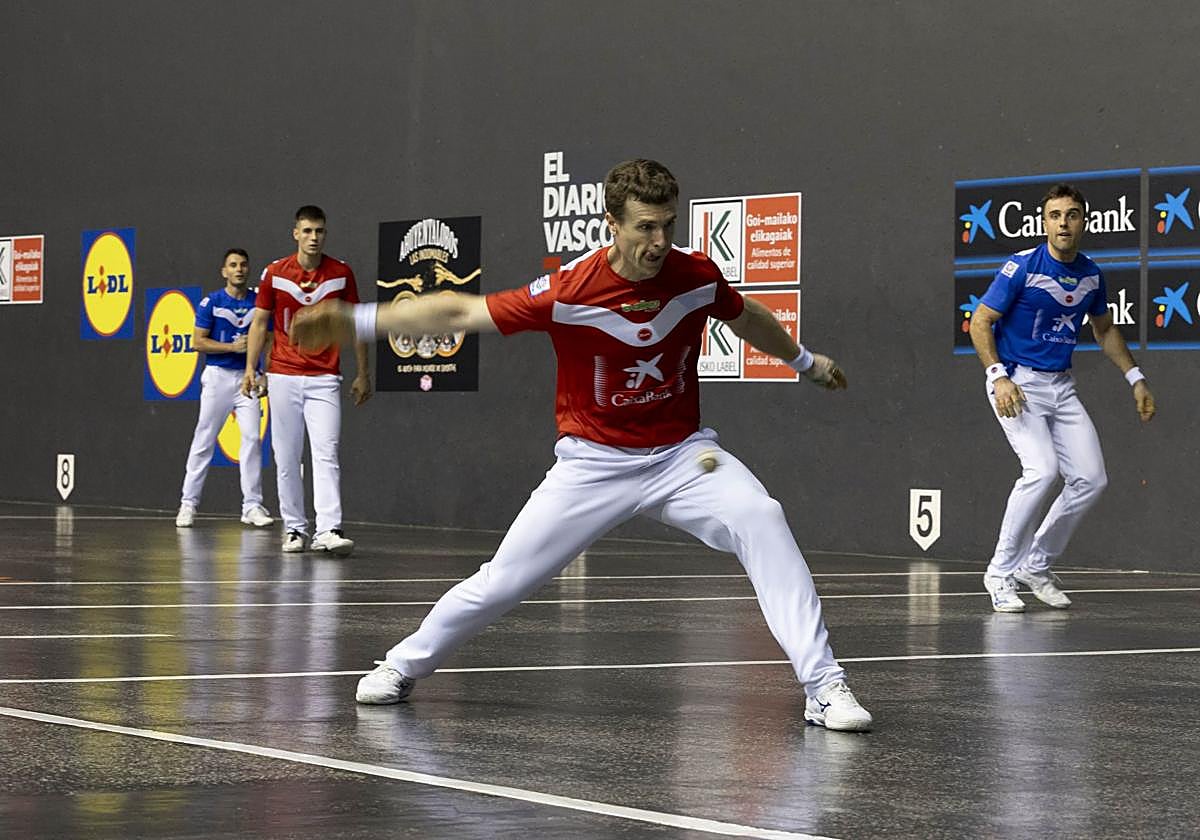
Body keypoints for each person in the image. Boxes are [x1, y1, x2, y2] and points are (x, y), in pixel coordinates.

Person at [292, 159, 873, 731]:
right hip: (592, 464)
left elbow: (745, 317)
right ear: (611, 224)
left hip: (682, 457)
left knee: (762, 517)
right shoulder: (569, 290)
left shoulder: (695, 275)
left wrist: (804, 362)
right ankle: (400, 666)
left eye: (668, 224)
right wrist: (357, 320)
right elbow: (462, 310)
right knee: (503, 581)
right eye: (646, 226)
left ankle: (823, 688)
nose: (659, 240)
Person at [969, 182, 1156, 613]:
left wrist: (1136, 378)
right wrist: (998, 376)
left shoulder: (1091, 275)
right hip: (1016, 382)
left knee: (1091, 479)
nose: (1063, 223)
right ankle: (999, 573)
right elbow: (980, 321)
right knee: (1041, 470)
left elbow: (1104, 330)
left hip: (1061, 386)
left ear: (1084, 221)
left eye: (1071, 215)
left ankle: (1035, 565)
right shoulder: (1022, 267)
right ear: (1045, 222)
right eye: (1055, 216)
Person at [242, 206, 371, 555]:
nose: (314, 238)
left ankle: (328, 529)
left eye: (320, 232)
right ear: (295, 233)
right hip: (283, 374)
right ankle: (295, 529)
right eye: (308, 231)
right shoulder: (274, 273)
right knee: (285, 456)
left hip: (325, 377)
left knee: (326, 452)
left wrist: (363, 372)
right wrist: (251, 368)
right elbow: (259, 323)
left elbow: (356, 323)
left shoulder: (341, 273)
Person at [175, 248, 274, 529]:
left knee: (253, 439)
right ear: (224, 271)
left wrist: (262, 372)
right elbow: (197, 342)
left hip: (249, 378)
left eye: (243, 264)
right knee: (204, 438)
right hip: (218, 376)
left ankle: (252, 505)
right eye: (233, 265)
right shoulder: (211, 303)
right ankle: (188, 503)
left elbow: (268, 338)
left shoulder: (260, 302)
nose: (239, 269)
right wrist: (231, 347)